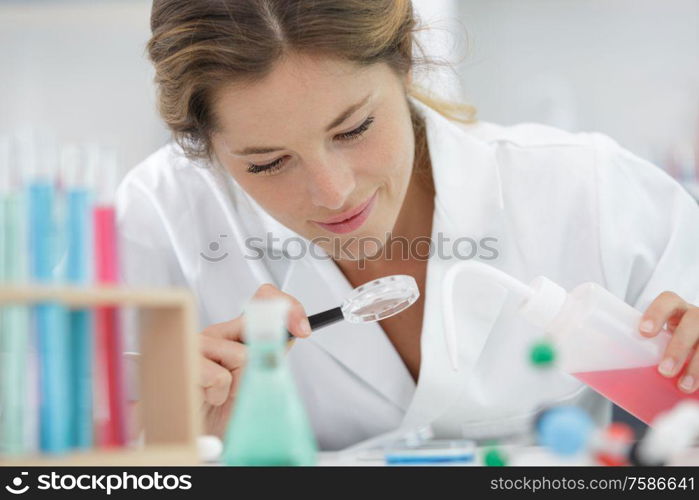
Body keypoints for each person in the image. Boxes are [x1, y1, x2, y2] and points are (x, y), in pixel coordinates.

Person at [117, 0, 699, 451]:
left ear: (405, 61)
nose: (333, 191)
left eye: (354, 129)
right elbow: (89, 457)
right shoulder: (163, 216)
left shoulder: (588, 189)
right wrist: (172, 439)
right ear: (205, 148)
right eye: (267, 163)